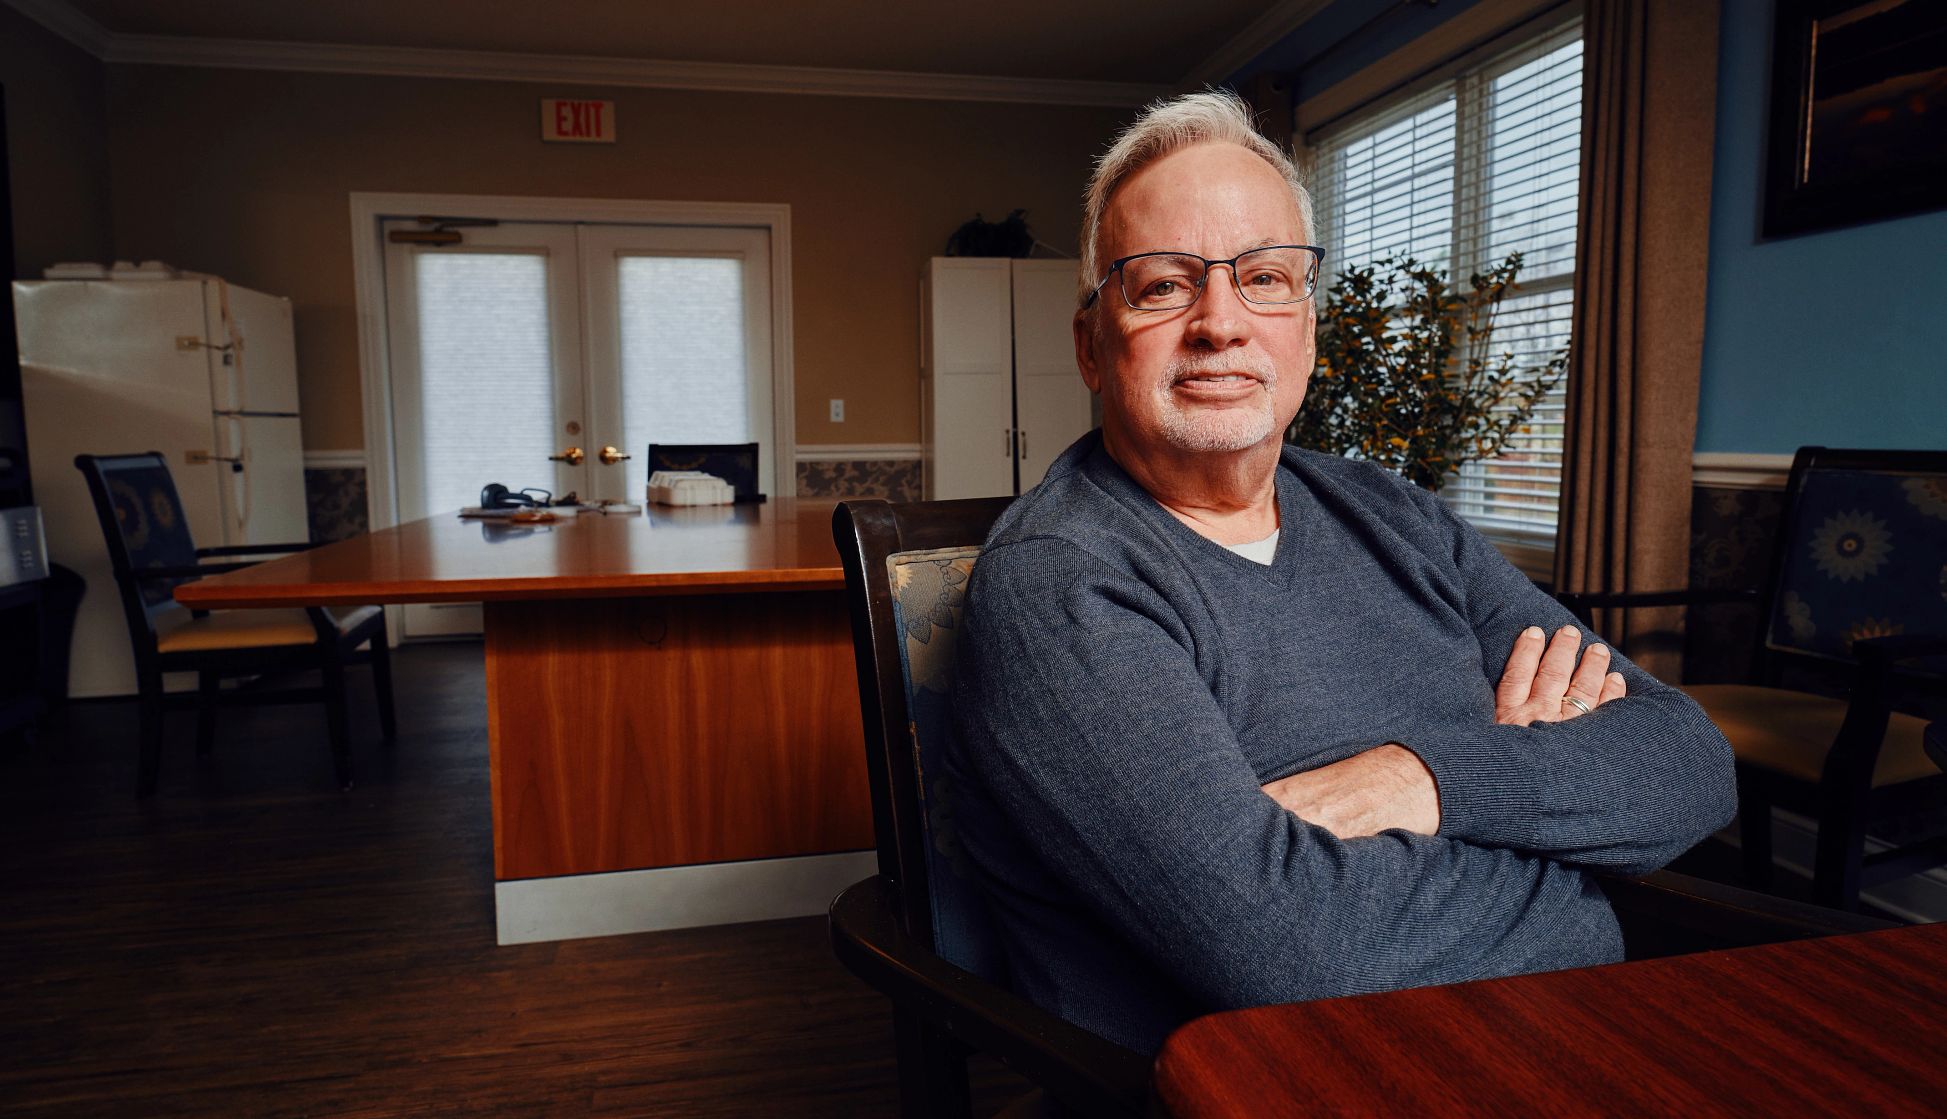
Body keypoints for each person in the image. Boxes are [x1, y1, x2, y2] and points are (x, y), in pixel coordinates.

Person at [944, 90, 1736, 1056]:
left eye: (1265, 278)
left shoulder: (1392, 513)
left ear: (1307, 330)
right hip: (1284, 1083)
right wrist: (1577, 855)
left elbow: (1689, 762)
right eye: (1160, 286)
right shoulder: (1060, 582)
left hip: (1537, 1045)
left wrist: (1421, 781)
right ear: (1090, 346)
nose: (1219, 323)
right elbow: (1296, 953)